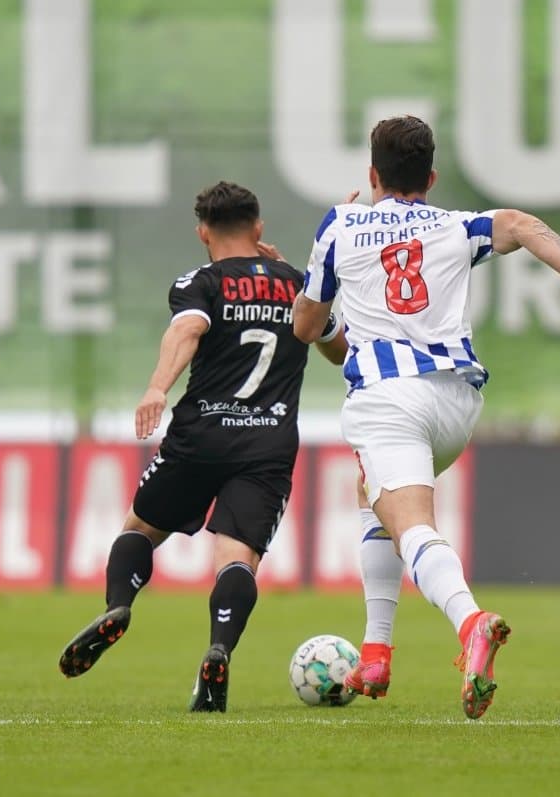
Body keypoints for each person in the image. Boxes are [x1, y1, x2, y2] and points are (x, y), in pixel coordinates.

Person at [292, 116, 560, 719]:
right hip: (457, 407)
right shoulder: (455, 227)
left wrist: (325, 282)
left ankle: (472, 622)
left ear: (372, 174)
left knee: (413, 525)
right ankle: (375, 653)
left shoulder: (341, 223)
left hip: (389, 397)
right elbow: (525, 226)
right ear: (431, 176)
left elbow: (306, 327)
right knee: (376, 497)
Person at [58, 181, 347, 712]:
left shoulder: (200, 282)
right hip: (268, 441)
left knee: (140, 530)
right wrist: (298, 284)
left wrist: (156, 387)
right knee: (236, 558)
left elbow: (188, 330)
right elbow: (336, 350)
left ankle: (120, 606)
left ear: (203, 233)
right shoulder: (300, 286)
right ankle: (219, 649)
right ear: (258, 228)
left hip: (201, 435)